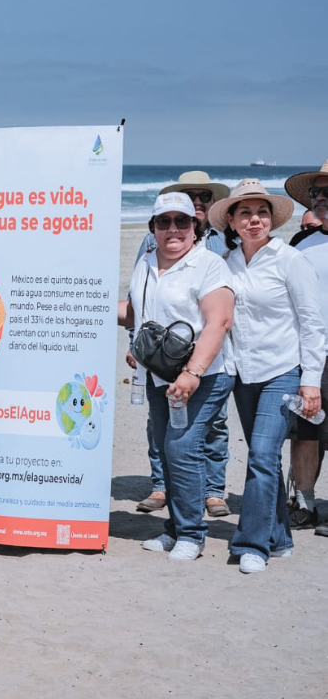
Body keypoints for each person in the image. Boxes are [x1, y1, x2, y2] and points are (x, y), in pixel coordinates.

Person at [210, 180, 323, 573]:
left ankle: (251, 544)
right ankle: (279, 538)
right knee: (266, 459)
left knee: (260, 455)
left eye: (261, 213)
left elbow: (312, 323)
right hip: (243, 374)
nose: (254, 220)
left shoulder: (289, 259)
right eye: (245, 213)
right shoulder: (225, 262)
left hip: (283, 371)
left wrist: (310, 379)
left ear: (271, 219)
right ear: (232, 221)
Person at [119, 192, 235, 562]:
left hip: (205, 375)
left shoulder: (210, 265)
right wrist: (81, 301)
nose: (173, 228)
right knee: (167, 450)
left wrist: (192, 372)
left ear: (195, 225)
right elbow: (137, 313)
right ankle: (173, 529)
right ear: (152, 228)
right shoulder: (147, 263)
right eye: (163, 221)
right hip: (158, 376)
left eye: (182, 221)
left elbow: (219, 322)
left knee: (182, 449)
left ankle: (191, 533)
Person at [285, 161, 328, 531]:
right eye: (317, 193)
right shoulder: (300, 246)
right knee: (305, 432)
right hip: (310, 355)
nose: (322, 198)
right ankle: (305, 503)